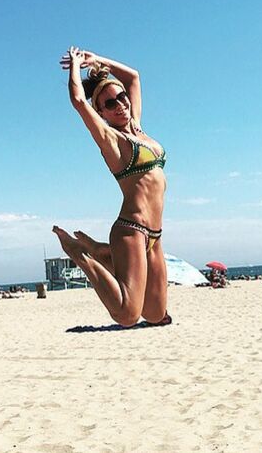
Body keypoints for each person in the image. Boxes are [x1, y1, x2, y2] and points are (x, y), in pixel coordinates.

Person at [52, 47, 170, 327]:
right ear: (101, 112)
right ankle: (81, 254)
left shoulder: (137, 126)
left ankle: (103, 252)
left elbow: (133, 77)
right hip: (132, 230)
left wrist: (97, 59)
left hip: (155, 234)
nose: (120, 105)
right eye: (110, 103)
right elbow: (79, 100)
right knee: (127, 315)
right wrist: (75, 67)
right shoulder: (112, 140)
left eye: (121, 97)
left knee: (155, 314)